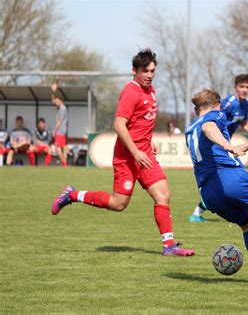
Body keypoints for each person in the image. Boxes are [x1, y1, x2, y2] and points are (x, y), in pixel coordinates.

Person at [51, 48, 194, 256]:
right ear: (134, 71)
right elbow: (119, 125)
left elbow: (141, 122)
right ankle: (71, 195)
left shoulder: (151, 91)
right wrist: (136, 151)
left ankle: (169, 246)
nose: (150, 75)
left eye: (152, 70)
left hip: (144, 155)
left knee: (163, 195)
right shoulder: (131, 92)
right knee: (118, 204)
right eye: (145, 71)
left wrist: (149, 141)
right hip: (128, 157)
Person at [186, 89, 248, 286]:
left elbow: (210, 143)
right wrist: (227, 144)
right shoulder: (215, 115)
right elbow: (209, 127)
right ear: (217, 105)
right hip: (230, 179)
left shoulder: (190, 128)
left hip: (209, 192)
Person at [188, 74, 248, 223]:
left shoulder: (245, 105)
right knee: (232, 178)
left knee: (229, 180)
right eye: (241, 86)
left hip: (226, 147)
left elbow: (244, 123)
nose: (245, 90)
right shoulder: (228, 103)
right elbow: (210, 118)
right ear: (235, 87)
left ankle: (198, 213)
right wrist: (225, 144)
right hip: (217, 144)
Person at [51, 83, 69, 167]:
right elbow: (53, 100)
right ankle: (64, 163)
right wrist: (53, 91)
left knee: (57, 147)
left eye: (57, 101)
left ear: (61, 100)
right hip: (62, 131)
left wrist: (54, 130)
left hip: (60, 131)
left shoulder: (62, 108)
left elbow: (59, 121)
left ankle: (64, 163)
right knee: (63, 147)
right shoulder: (60, 107)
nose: (55, 102)